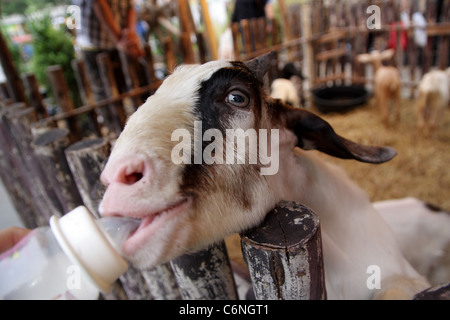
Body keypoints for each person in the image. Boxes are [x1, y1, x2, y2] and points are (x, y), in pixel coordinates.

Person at [72, 0, 144, 103]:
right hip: (95, 45)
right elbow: (98, 2)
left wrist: (129, 36)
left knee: (131, 88)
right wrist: (120, 40)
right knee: (107, 96)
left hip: (121, 42)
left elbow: (130, 6)